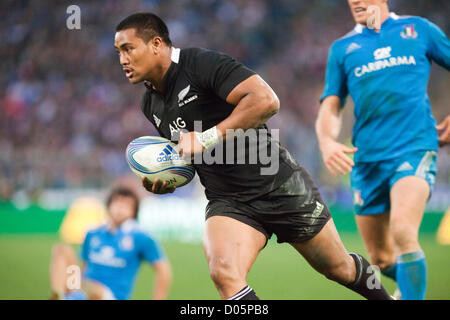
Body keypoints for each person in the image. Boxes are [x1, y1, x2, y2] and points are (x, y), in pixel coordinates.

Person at [114, 12, 393, 300]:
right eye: (118, 52)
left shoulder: (200, 64)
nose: (122, 59)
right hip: (228, 200)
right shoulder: (150, 103)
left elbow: (266, 101)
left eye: (128, 49)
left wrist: (206, 137)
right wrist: (168, 178)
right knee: (224, 273)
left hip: (277, 184)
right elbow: (188, 155)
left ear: (157, 44)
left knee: (340, 268)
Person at [316, 0, 450, 300]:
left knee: (403, 231)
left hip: (414, 147)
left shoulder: (418, 30)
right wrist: (326, 140)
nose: (356, 2)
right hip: (367, 160)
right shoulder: (343, 49)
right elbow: (331, 104)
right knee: (381, 258)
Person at [49, 187, 172, 300]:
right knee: (61, 250)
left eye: (127, 204)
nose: (120, 207)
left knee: (92, 288)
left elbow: (163, 270)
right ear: (109, 205)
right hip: (84, 290)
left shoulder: (140, 237)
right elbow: (83, 266)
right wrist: (73, 285)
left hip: (110, 295)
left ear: (134, 211)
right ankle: (60, 294)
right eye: (117, 202)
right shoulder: (93, 233)